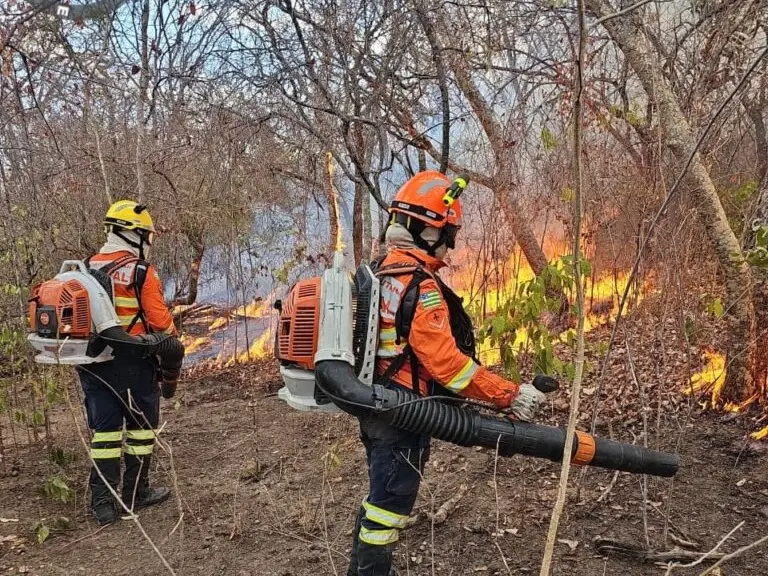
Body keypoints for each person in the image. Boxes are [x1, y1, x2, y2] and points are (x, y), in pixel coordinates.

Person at [347, 171, 547, 576]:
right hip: (403, 415)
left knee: (380, 500)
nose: (449, 244)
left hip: (380, 407)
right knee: (388, 511)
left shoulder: (381, 270)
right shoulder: (420, 287)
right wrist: (510, 395)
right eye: (446, 234)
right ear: (423, 228)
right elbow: (449, 366)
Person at [78, 200, 177, 525]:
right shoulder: (140, 271)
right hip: (135, 361)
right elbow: (162, 324)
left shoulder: (83, 267)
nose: (148, 242)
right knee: (141, 429)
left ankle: (102, 504)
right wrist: (170, 348)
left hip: (93, 363)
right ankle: (136, 493)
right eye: (147, 236)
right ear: (133, 235)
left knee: (104, 433)